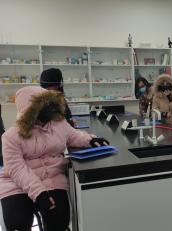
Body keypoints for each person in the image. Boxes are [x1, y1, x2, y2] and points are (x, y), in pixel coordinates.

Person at [0, 86, 109, 231]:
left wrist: (90, 140)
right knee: (17, 223)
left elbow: (73, 135)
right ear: (29, 111)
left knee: (60, 219)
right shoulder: (11, 136)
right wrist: (39, 193)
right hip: (18, 185)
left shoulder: (59, 123)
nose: (49, 109)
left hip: (53, 178)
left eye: (50, 104)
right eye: (43, 105)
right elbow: (17, 169)